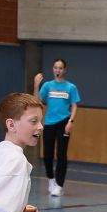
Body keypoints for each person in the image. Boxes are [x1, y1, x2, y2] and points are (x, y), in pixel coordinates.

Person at [34, 58, 80, 198]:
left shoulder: (70, 87)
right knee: (47, 154)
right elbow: (36, 101)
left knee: (61, 153)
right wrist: (36, 85)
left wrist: (71, 121)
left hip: (64, 122)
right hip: (49, 122)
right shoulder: (47, 86)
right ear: (53, 69)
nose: (57, 70)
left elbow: (74, 106)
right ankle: (51, 179)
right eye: (55, 67)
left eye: (60, 68)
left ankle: (59, 185)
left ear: (64, 70)